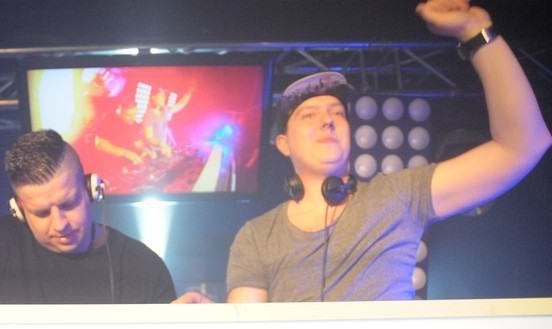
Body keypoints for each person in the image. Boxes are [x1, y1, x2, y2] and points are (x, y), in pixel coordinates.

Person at [226, 0, 551, 303]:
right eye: (309, 115)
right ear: (284, 144)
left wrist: (475, 31)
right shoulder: (256, 236)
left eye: (338, 113)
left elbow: (523, 145)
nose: (328, 121)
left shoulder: (396, 196)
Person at [0, 129, 177, 304]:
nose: (60, 224)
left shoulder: (143, 266)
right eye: (41, 213)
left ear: (90, 190)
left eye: (69, 204)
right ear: (19, 210)